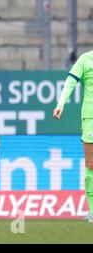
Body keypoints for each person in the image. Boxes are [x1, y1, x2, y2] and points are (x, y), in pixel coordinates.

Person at [54, 50, 93, 223]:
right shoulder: (85, 59)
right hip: (90, 117)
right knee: (91, 164)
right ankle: (92, 211)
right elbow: (71, 82)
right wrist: (61, 103)